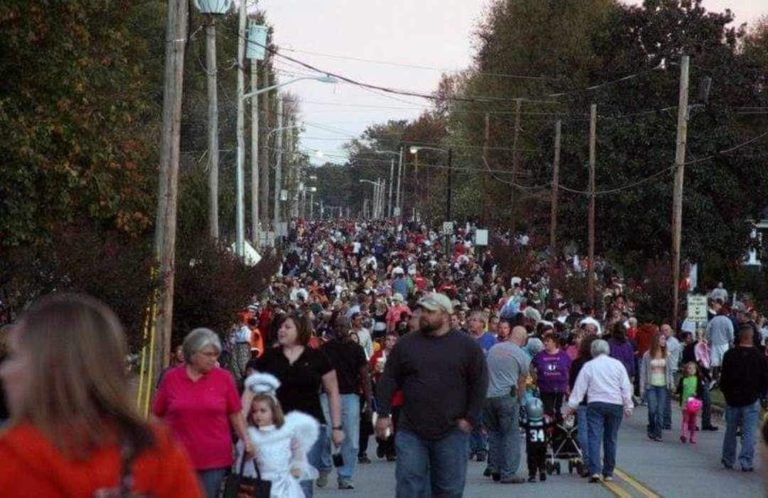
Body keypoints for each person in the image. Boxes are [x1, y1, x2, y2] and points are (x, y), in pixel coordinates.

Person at [0, 293, 202, 497]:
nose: (5, 372)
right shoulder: (155, 447)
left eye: (16, 357)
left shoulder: (15, 456)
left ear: (50, 369)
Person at [375, 293, 489, 498]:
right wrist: (382, 414)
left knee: (448, 489)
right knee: (409, 487)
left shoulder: (467, 346)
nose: (424, 316)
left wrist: (470, 418)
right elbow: (389, 380)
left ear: (446, 315)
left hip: (452, 430)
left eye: (430, 312)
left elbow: (479, 383)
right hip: (411, 430)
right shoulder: (406, 345)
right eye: (422, 311)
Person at [247, 312, 345, 498]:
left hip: (310, 427)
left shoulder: (317, 357)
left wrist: (337, 426)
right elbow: (251, 390)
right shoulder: (269, 358)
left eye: (287, 327)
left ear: (300, 331)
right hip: (275, 428)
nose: (281, 330)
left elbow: (332, 391)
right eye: (281, 327)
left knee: (302, 483)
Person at [154, 328, 253, 498]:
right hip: (176, 456)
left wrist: (247, 440)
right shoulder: (171, 378)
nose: (213, 359)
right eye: (208, 354)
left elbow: (235, 414)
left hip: (213, 459)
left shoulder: (224, 378)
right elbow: (156, 415)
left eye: (215, 354)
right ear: (192, 354)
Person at [234, 373, 320, 498]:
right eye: (254, 411)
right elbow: (242, 458)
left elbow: (297, 450)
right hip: (259, 481)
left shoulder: (286, 432)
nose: (258, 415)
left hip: (282, 483)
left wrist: (297, 465)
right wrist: (248, 453)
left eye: (263, 411)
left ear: (274, 412)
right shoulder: (251, 434)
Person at [567, 339, 633, 483]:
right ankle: (608, 472)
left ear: (593, 351)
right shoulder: (617, 365)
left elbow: (580, 388)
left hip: (595, 403)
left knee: (594, 437)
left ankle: (595, 470)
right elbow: (625, 387)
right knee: (611, 438)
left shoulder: (589, 366)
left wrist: (571, 406)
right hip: (615, 404)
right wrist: (628, 405)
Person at [319, 316, 372, 489]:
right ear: (333, 328)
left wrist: (369, 402)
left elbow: (365, 376)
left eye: (343, 326)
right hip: (327, 396)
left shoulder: (357, 350)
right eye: (337, 326)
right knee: (326, 434)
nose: (340, 329)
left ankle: (345, 475)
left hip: (350, 396)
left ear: (349, 327)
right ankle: (325, 466)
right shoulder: (325, 348)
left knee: (350, 439)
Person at [482, 325, 529, 484]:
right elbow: (521, 382)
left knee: (494, 433)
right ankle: (508, 472)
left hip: (488, 397)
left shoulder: (494, 349)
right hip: (506, 397)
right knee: (510, 434)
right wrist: (519, 400)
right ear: (523, 340)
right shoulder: (521, 355)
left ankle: (494, 467)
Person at [720, 324, 768, 472]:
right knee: (749, 432)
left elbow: (724, 379)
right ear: (751, 337)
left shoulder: (729, 355)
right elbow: (764, 379)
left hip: (732, 398)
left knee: (730, 430)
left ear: (739, 336)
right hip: (751, 399)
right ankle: (746, 461)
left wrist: (727, 394)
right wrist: (760, 394)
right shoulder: (759, 357)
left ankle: (728, 459)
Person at [467, 310, 496, 462]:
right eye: (471, 319)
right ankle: (471, 447)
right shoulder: (464, 339)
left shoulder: (490, 340)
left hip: (484, 382)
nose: (472, 322)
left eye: (476, 320)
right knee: (469, 416)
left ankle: (481, 447)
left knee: (480, 418)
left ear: (483, 324)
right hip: (467, 383)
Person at [569, 334, 599, 478]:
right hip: (598, 401)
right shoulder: (599, 363)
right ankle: (595, 462)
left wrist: (572, 402)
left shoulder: (577, 363)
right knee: (596, 433)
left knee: (583, 434)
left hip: (583, 402)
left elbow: (572, 384)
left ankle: (588, 462)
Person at [370, 331, 402, 461]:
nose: (390, 343)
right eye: (388, 340)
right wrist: (375, 370)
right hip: (382, 393)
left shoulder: (400, 356)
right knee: (381, 422)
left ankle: (391, 450)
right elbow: (369, 373)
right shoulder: (378, 355)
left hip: (398, 395)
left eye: (393, 340)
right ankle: (382, 443)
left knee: (395, 423)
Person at [639, 332, 673, 442]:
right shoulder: (647, 355)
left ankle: (658, 433)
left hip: (663, 385)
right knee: (652, 409)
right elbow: (643, 372)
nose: (664, 341)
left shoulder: (667, 354)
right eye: (662, 339)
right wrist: (642, 387)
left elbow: (670, 371)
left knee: (660, 411)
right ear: (656, 340)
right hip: (651, 385)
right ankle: (651, 426)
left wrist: (671, 383)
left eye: (665, 339)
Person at [531, 332, 571, 420]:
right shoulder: (540, 355)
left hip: (560, 389)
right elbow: (531, 367)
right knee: (547, 411)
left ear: (554, 342)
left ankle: (558, 430)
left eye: (548, 341)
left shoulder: (564, 355)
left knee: (558, 411)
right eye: (544, 341)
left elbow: (569, 370)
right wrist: (535, 379)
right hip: (545, 388)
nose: (545, 343)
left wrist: (568, 386)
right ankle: (547, 430)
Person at [521, 397, 550, 482]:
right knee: (542, 458)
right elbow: (552, 423)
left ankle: (532, 474)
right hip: (542, 444)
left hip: (531, 445)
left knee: (531, 459)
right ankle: (542, 471)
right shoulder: (544, 421)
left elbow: (520, 423)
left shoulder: (527, 422)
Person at [677, 362, 705, 444]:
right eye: (690, 368)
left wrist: (697, 393)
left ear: (696, 370)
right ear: (686, 370)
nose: (692, 370)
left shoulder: (698, 379)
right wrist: (675, 390)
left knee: (693, 420)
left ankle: (692, 436)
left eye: (694, 368)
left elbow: (701, 390)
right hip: (685, 402)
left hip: (694, 403)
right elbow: (679, 389)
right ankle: (684, 435)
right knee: (685, 418)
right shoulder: (683, 379)